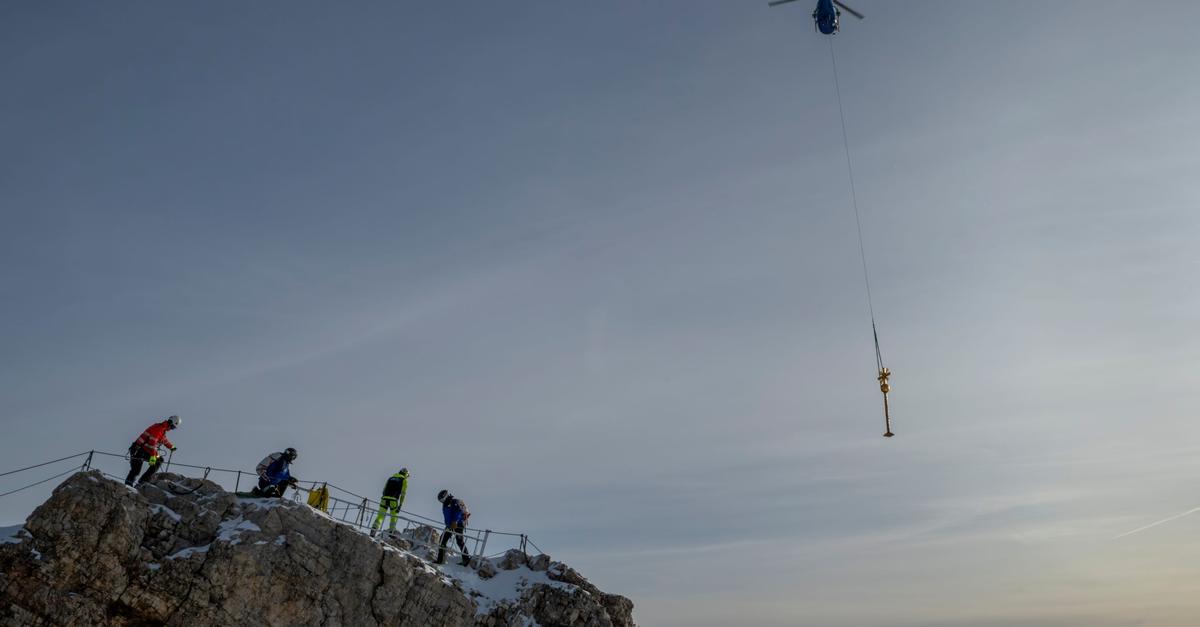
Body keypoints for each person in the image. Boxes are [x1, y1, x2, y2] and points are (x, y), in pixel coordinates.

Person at [125, 415, 181, 487]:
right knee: (136, 470)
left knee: (159, 460)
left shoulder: (162, 429)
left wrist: (171, 447)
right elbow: (152, 444)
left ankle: (142, 482)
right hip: (138, 449)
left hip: (145, 450)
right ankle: (129, 486)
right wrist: (153, 456)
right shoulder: (158, 429)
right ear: (170, 423)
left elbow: (164, 440)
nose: (171, 429)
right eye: (172, 427)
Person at [370, 468, 410, 538]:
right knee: (394, 517)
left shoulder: (390, 478)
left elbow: (384, 490)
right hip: (393, 500)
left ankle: (374, 529)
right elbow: (403, 494)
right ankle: (391, 532)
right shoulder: (404, 480)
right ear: (406, 475)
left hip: (384, 499)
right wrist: (400, 504)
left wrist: (385, 496)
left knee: (380, 516)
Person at [435, 489, 471, 566]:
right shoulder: (445, 505)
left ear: (445, 497)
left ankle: (466, 559)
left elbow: (459, 512)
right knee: (442, 540)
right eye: (440, 501)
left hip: (458, 524)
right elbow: (447, 516)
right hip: (449, 526)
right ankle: (440, 560)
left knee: (459, 541)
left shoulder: (455, 502)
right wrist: (449, 524)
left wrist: (455, 521)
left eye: (442, 499)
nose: (442, 501)